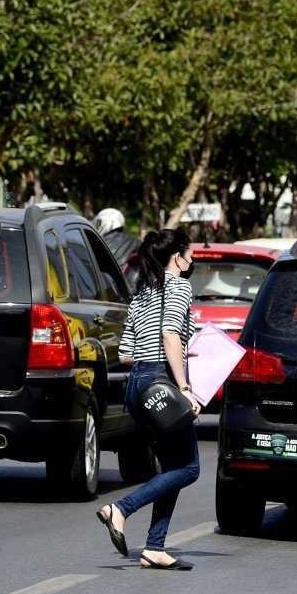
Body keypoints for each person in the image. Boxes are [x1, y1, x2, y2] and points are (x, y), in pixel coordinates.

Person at [96, 228, 201, 571]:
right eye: (190, 252)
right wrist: (184, 387)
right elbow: (170, 333)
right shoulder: (179, 287)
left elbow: (126, 352)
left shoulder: (142, 292)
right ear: (178, 257)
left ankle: (155, 546)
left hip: (137, 384)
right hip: (161, 382)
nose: (193, 258)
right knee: (189, 467)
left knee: (172, 466)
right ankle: (121, 509)